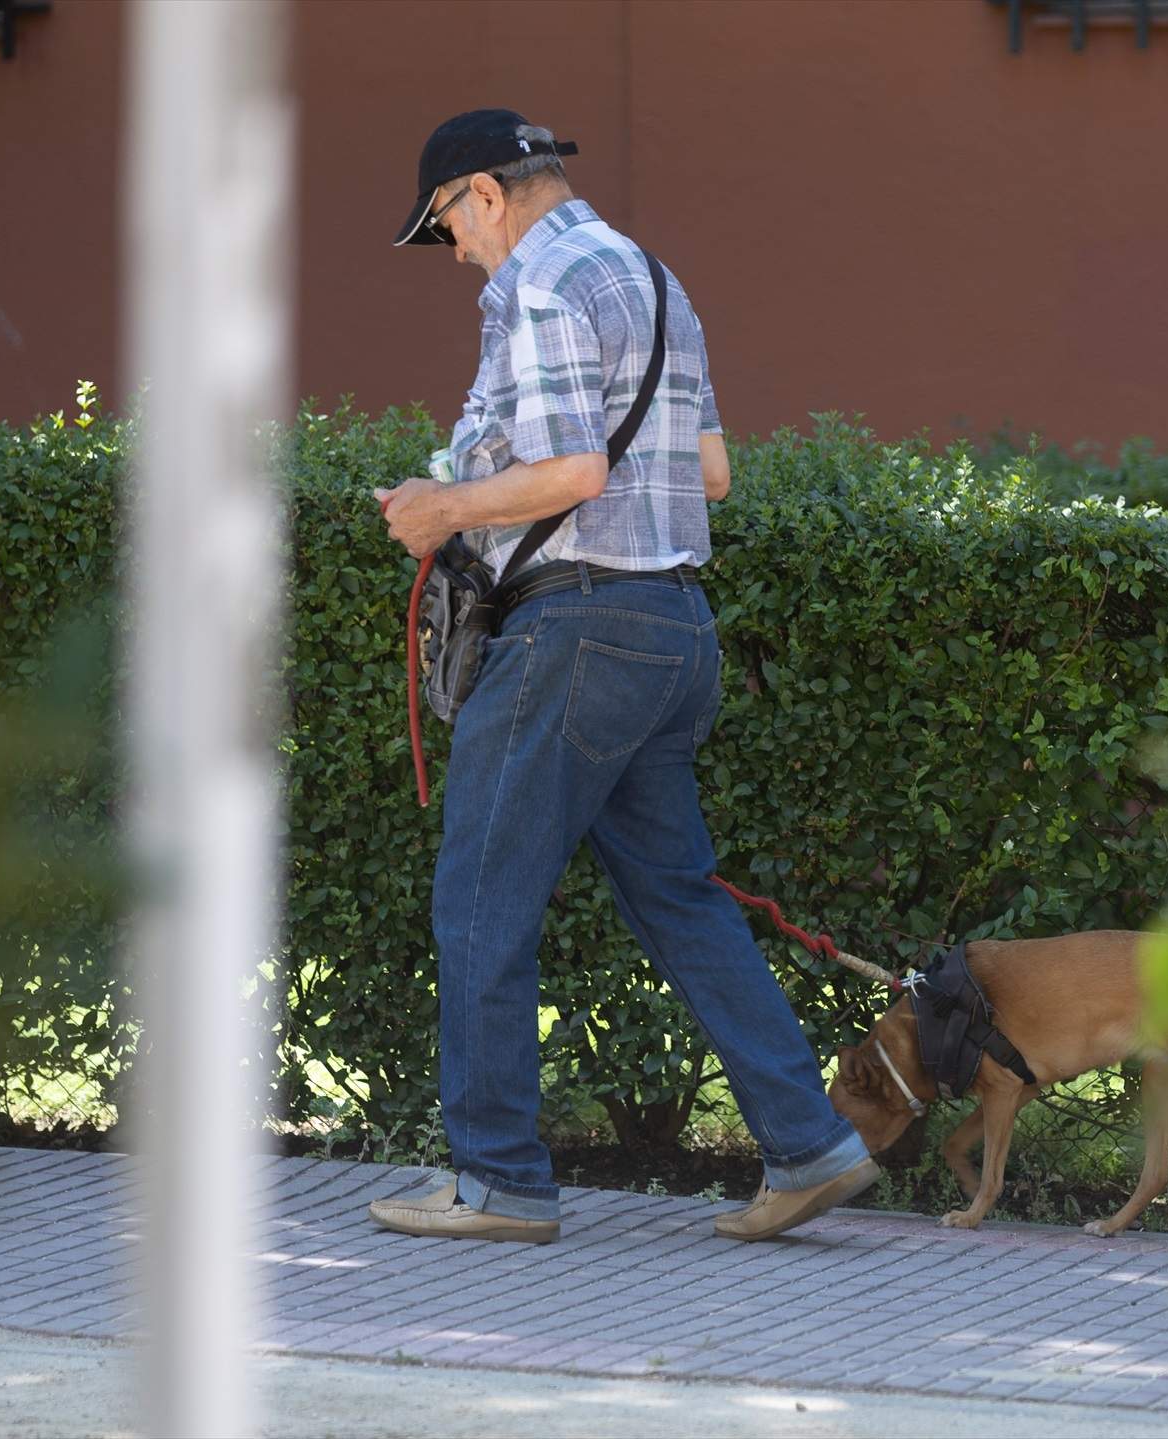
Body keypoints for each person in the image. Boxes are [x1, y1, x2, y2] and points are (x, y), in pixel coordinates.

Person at [366, 109, 879, 1244]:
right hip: (672, 627)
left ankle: (498, 1180)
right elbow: (713, 471)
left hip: (577, 631)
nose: (452, 251)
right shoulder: (652, 279)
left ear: (486, 193)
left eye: (444, 223)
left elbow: (575, 471)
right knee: (679, 895)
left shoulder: (541, 285)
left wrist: (444, 508)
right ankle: (809, 1142)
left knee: (480, 896)